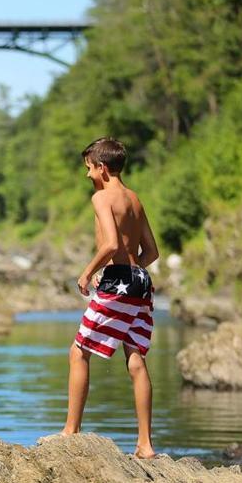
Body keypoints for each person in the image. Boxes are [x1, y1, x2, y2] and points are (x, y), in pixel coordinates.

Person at [64, 137, 159, 459]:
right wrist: (131, 272)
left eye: (89, 168)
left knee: (79, 352)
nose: (87, 174)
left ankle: (71, 431)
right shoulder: (134, 199)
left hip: (118, 280)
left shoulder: (102, 197)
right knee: (136, 358)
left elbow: (111, 244)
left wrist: (88, 272)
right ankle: (145, 445)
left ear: (102, 168)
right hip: (141, 281)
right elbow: (152, 252)